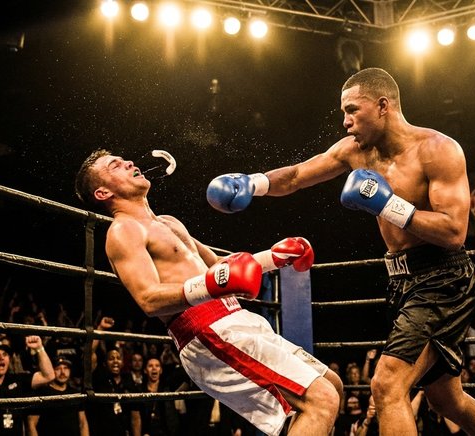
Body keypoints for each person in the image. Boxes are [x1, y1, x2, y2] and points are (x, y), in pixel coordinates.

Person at [205, 67, 475, 435]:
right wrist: (254, 183)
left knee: (387, 385)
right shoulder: (356, 151)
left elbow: (454, 232)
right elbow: (298, 175)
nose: (345, 122)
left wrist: (386, 204)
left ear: (382, 106)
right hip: (402, 280)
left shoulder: (437, 150)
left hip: (442, 278)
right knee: (446, 398)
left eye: (351, 111)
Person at [74, 149, 342, 436]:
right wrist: (211, 285)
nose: (128, 162)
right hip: (206, 332)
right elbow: (148, 298)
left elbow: (216, 266)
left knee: (332, 384)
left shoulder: (168, 222)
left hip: (235, 319)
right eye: (116, 165)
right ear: (102, 193)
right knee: (320, 400)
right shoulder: (123, 231)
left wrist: (275, 256)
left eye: (123, 159)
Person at [27, 357, 89, 436]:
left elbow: (83, 423)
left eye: (66, 368)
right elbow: (31, 424)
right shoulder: (42, 393)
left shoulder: (76, 394)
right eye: (58, 369)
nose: (62, 372)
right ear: (52, 371)